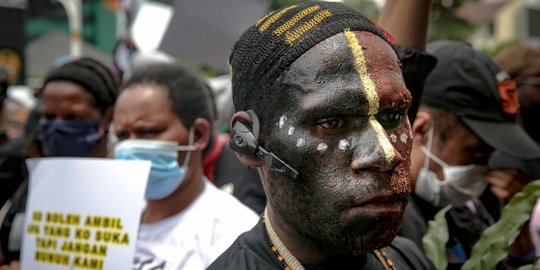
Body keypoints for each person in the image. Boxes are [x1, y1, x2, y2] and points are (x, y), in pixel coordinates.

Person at [208, 1, 434, 269]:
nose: (386, 154)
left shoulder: (408, 258)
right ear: (248, 142)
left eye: (393, 116)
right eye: (333, 122)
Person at [401, 40, 540, 269]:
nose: (486, 168)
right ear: (422, 129)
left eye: (490, 155)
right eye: (475, 153)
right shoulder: (385, 224)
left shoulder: (462, 214)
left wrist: (515, 231)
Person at [112, 62, 258, 269]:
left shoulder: (235, 236)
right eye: (122, 136)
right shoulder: (107, 217)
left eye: (149, 132)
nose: (131, 146)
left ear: (199, 134)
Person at [0, 57, 118, 265]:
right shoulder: (37, 181)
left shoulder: (127, 189)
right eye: (50, 116)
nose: (58, 126)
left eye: (74, 117)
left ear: (107, 116)